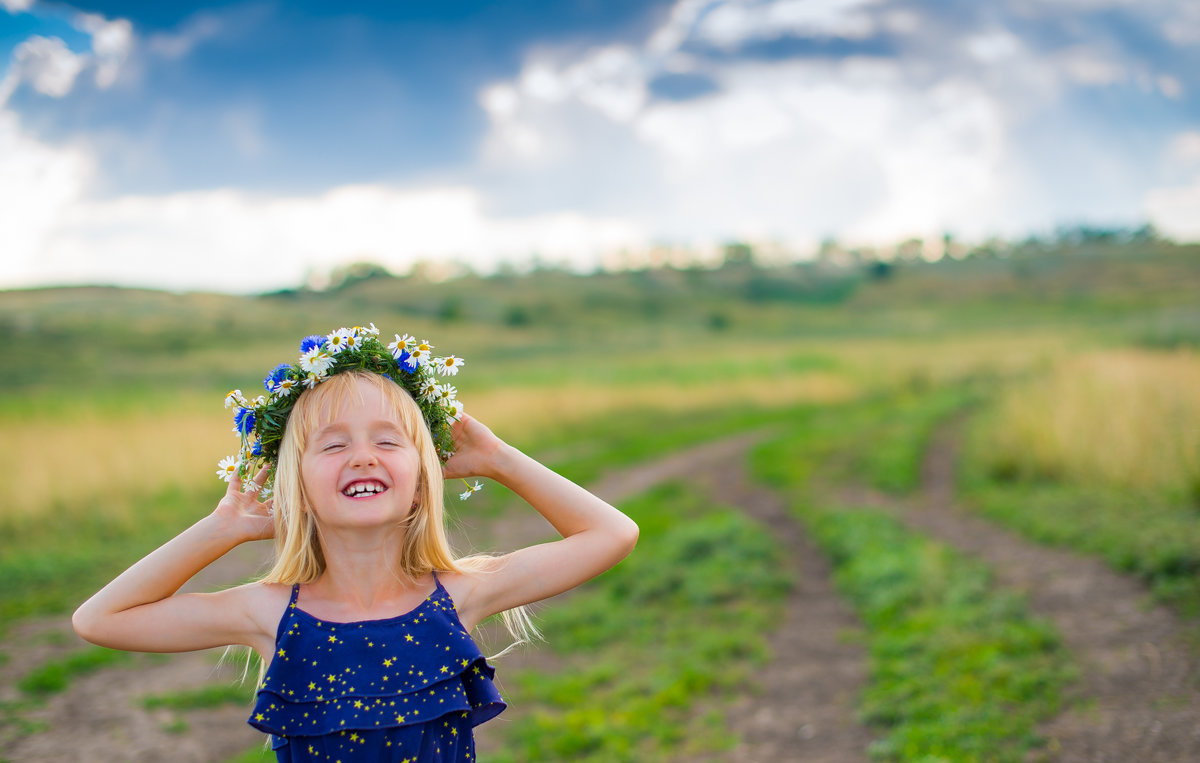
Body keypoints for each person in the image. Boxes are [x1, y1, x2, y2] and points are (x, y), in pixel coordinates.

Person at [72, 325, 639, 762]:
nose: (363, 456)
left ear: (423, 482)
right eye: (332, 445)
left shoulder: (458, 596)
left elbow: (613, 533)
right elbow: (101, 619)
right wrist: (227, 524)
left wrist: (497, 459)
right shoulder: (271, 612)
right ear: (297, 486)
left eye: (388, 441)